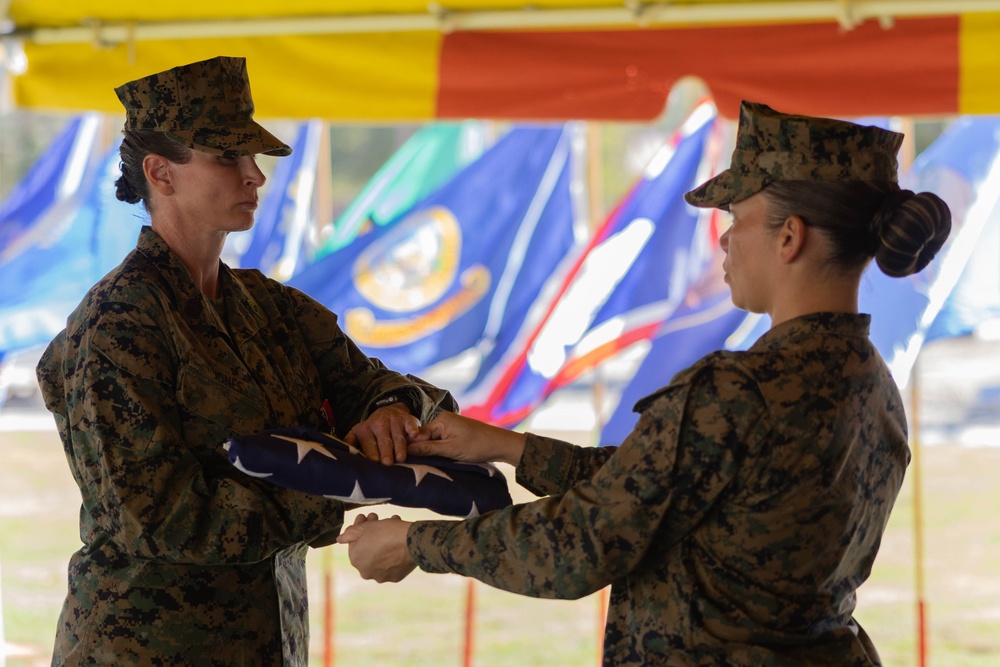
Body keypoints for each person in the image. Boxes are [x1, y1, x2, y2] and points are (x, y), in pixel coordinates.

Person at [337, 100, 953, 666]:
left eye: (737, 216)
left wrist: (414, 543)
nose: (724, 237)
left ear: (789, 237)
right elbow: (674, 488)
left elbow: (580, 544)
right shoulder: (871, 384)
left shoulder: (741, 390)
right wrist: (508, 447)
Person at [36, 55, 456, 666]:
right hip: (146, 647)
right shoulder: (119, 322)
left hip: (270, 638)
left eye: (251, 157)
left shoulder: (268, 306)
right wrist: (343, 484)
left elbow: (381, 385)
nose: (254, 175)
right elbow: (159, 517)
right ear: (161, 173)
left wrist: (391, 410)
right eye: (228, 157)